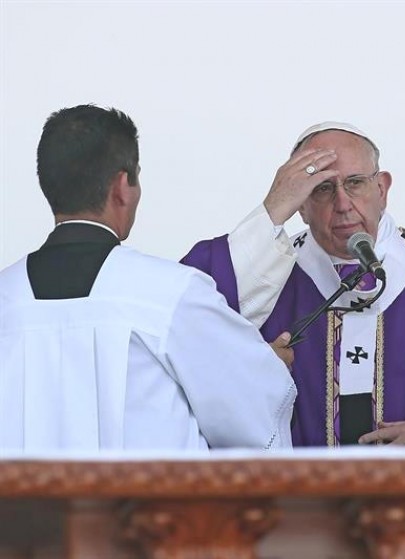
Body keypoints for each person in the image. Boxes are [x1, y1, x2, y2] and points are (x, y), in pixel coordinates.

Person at [0, 105, 297, 451]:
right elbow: (250, 413)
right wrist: (265, 368)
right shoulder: (169, 294)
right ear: (122, 187)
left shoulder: (7, 295)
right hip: (145, 492)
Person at [182, 122, 405, 447]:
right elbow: (186, 311)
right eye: (322, 189)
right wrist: (273, 209)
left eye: (355, 183)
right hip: (297, 479)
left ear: (382, 190)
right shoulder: (262, 276)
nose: (343, 204)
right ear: (300, 206)